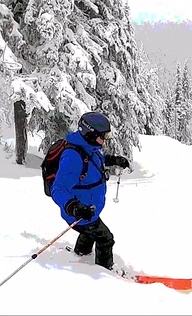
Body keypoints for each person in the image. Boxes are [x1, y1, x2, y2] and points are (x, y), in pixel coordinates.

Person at [50, 111, 131, 273]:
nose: (105, 139)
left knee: (89, 232)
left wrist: (113, 160)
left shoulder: (89, 148)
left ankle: (81, 254)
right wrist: (73, 206)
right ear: (90, 134)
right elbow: (58, 188)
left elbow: (96, 160)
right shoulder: (73, 157)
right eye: (102, 136)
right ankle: (105, 271)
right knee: (105, 239)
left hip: (88, 210)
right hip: (79, 212)